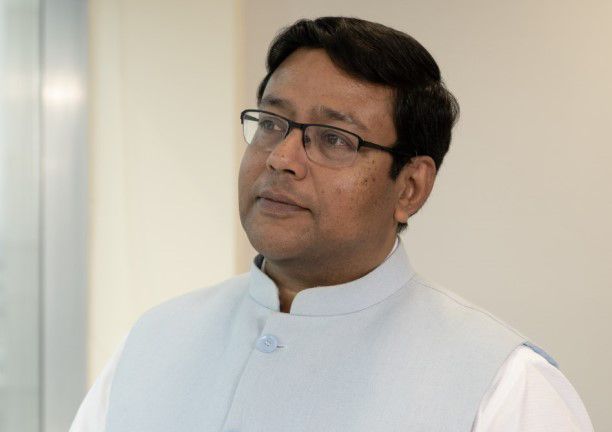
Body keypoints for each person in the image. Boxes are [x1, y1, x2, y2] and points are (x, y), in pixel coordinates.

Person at [70, 17, 594, 431]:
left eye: (334, 139)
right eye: (271, 123)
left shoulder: (502, 385)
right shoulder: (155, 341)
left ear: (410, 187)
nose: (282, 158)